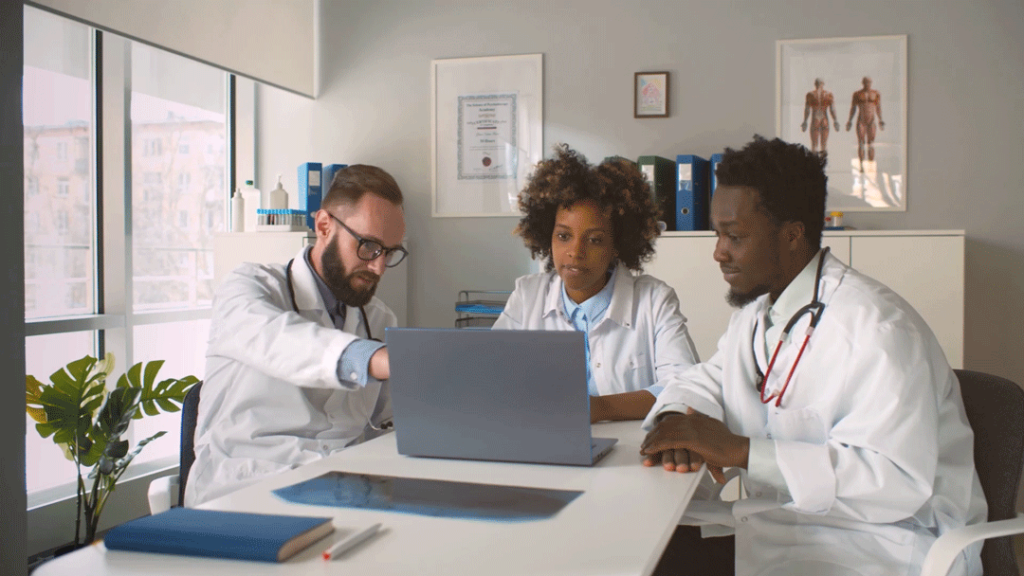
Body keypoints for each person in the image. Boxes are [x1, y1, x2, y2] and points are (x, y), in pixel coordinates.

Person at [639, 136, 986, 576]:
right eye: (717, 233)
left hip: (884, 547)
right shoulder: (760, 314)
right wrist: (675, 418)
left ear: (791, 235)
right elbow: (709, 378)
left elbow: (894, 483)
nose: (718, 252)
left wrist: (743, 451)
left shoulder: (877, 329)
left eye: (735, 236)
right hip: (786, 534)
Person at [186, 165, 409, 507]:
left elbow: (391, 422)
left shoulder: (377, 317)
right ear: (323, 226)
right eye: (368, 246)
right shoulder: (249, 288)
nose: (378, 267)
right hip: (243, 491)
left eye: (389, 252)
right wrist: (371, 358)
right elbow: (277, 340)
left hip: (339, 488)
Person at [493, 145, 699, 422]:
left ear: (618, 244)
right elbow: (491, 375)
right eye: (564, 236)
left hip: (631, 453)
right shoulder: (527, 296)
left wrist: (596, 408)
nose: (576, 252)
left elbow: (683, 386)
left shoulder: (654, 299)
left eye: (595, 240)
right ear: (548, 236)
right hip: (545, 443)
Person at [846, 76, 885, 170]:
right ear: (862, 83)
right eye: (866, 82)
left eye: (869, 82)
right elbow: (853, 108)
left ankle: (871, 165)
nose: (867, 84)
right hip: (861, 121)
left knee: (871, 143)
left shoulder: (875, 93)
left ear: (871, 83)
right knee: (861, 143)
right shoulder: (857, 94)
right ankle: (861, 165)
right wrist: (849, 121)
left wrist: (880, 120)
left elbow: (878, 108)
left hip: (871, 121)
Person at [800, 78, 840, 158]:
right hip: (824, 118)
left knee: (814, 144)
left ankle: (815, 164)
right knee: (823, 144)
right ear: (823, 84)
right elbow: (832, 109)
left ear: (815, 84)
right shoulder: (828, 94)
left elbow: (807, 109)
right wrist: (835, 120)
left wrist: (805, 121)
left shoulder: (810, 94)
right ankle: (822, 163)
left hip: (816, 118)